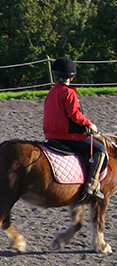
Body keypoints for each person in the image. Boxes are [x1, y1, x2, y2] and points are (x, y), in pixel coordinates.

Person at [43, 57, 108, 201]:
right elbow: (75, 115)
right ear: (72, 78)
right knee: (101, 151)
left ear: (54, 76)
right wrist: (90, 124)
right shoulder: (69, 93)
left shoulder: (51, 92)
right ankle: (91, 185)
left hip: (51, 135)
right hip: (69, 136)